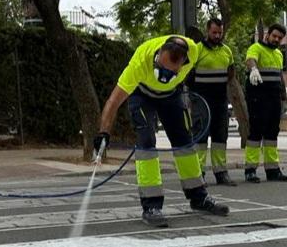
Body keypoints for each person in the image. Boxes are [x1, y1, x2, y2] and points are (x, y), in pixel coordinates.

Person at [94, 35, 229, 227]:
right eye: (160, 67)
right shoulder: (140, 62)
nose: (163, 74)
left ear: (183, 65)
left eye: (171, 71)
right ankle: (151, 206)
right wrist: (103, 133)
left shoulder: (194, 51)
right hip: (142, 95)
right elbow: (113, 101)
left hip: (172, 95)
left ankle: (198, 197)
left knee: (185, 143)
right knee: (146, 145)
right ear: (158, 55)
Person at [189, 18, 237, 186]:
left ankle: (221, 172)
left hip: (220, 101)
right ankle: (198, 173)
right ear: (207, 31)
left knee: (220, 137)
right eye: (214, 32)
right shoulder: (197, 49)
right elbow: (188, 72)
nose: (217, 36)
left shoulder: (226, 50)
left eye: (220, 33)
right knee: (201, 137)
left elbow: (231, 71)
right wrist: (194, 93)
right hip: (201, 100)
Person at [243, 24, 287, 183]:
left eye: (279, 38)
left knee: (272, 133)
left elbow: (280, 76)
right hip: (258, 96)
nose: (276, 39)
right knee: (256, 132)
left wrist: (284, 98)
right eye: (274, 36)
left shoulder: (278, 53)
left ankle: (272, 170)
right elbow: (251, 60)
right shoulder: (256, 47)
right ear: (267, 35)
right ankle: (250, 170)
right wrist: (254, 69)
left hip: (274, 97)